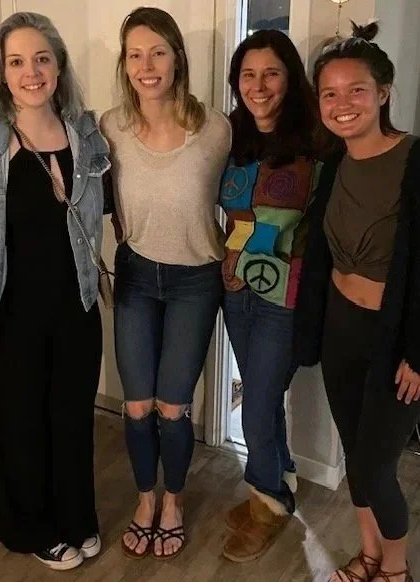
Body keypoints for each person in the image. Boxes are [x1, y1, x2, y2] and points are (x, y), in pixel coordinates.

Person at [0, 11, 111, 572]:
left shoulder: (86, 135)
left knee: (71, 417)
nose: (31, 72)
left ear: (59, 66)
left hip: (76, 303)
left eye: (42, 59)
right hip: (8, 309)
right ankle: (30, 527)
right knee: (19, 421)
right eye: (17, 61)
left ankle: (76, 516)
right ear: (1, 73)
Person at [101, 6, 231, 560]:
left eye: (157, 52)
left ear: (177, 57)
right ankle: (146, 499)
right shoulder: (110, 127)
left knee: (172, 407)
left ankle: (173, 503)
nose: (146, 65)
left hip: (195, 281)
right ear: (125, 64)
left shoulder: (216, 129)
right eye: (135, 55)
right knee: (136, 406)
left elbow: (244, 201)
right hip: (135, 275)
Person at [295, 21, 420, 582]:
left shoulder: (414, 160)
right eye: (329, 93)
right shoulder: (334, 168)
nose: (342, 104)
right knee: (354, 453)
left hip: (395, 340)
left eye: (356, 90)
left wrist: (418, 353)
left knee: (375, 467)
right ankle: (370, 553)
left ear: (383, 93)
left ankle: (394, 569)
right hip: (341, 329)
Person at [218, 29, 320, 562]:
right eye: (248, 74)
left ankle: (268, 504)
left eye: (271, 73)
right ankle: (278, 486)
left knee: (256, 404)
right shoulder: (229, 136)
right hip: (235, 286)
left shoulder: (317, 141)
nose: (258, 86)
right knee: (264, 398)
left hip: (286, 295)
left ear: (290, 77)